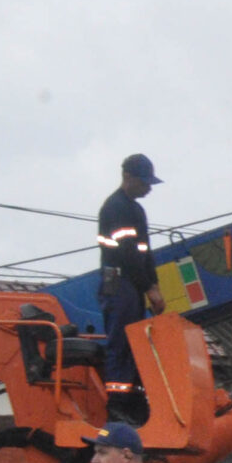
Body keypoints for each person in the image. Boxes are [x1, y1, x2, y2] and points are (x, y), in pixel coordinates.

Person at [97, 153, 162, 388]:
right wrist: (148, 288)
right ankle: (118, 400)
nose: (148, 188)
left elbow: (144, 251)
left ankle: (133, 396)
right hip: (117, 283)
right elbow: (127, 254)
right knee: (121, 344)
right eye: (144, 182)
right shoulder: (115, 207)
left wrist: (154, 284)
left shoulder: (135, 210)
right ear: (127, 176)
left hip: (130, 285)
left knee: (135, 343)